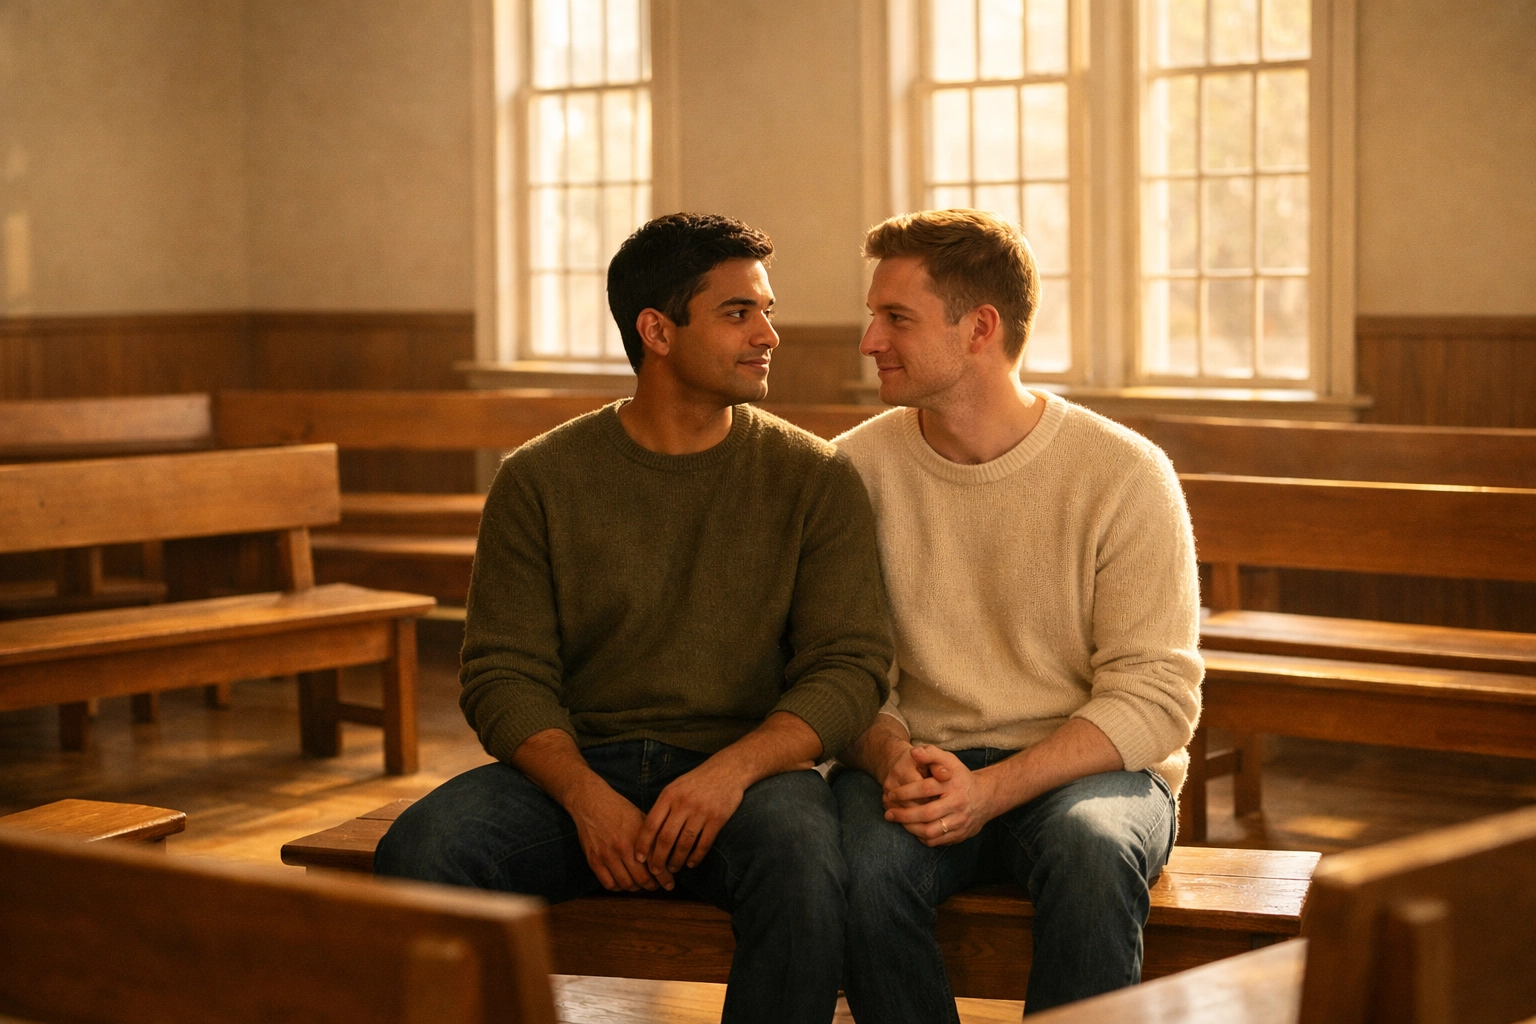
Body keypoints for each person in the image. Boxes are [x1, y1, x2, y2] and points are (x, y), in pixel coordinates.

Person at [376, 213, 893, 1024]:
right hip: (579, 768)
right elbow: (502, 672)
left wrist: (732, 772)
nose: (769, 335)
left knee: (805, 864)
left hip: (747, 776)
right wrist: (585, 797)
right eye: (737, 313)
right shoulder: (540, 478)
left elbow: (850, 665)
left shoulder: (813, 476)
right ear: (656, 329)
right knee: (422, 851)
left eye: (767, 310)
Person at [833, 208, 1202, 1018]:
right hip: (917, 762)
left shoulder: (1124, 473)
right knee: (856, 868)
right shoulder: (852, 471)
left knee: (1094, 850)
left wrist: (992, 789)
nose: (868, 340)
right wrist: (889, 752)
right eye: (873, 316)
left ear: (980, 328)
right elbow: (840, 667)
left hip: (1085, 773)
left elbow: (1157, 696)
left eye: (895, 317)